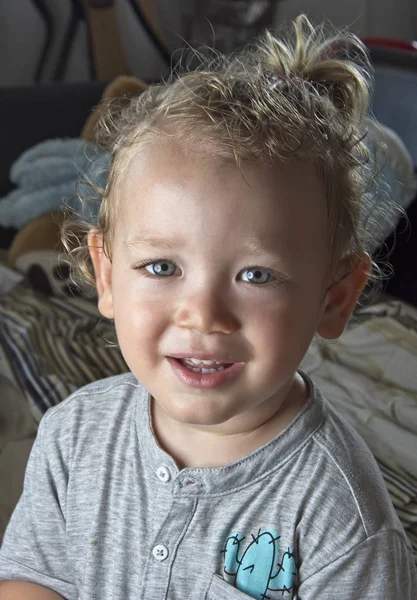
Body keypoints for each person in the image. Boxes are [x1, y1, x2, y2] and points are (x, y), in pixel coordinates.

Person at [0, 14, 415, 600]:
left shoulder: (340, 518)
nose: (202, 314)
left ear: (335, 297)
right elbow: (33, 579)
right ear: (107, 275)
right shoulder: (73, 436)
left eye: (255, 274)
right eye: (163, 267)